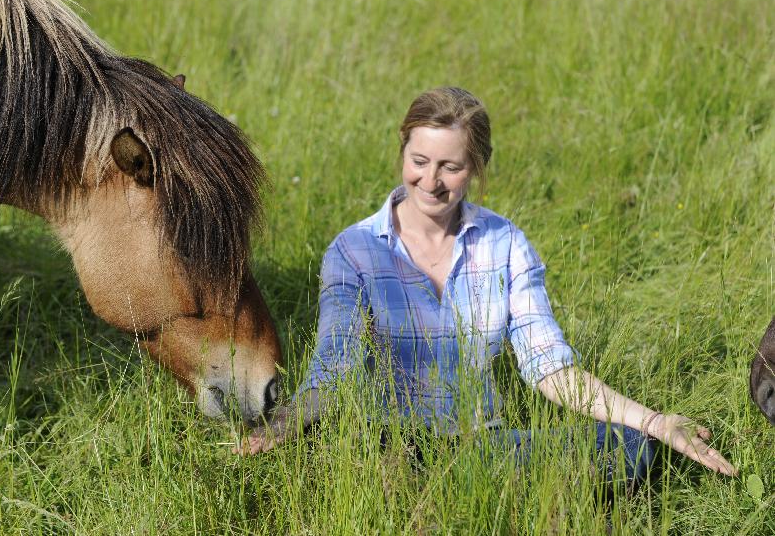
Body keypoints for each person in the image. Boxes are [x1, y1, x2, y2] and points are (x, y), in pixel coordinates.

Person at [234, 87, 736, 482]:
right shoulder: (354, 250)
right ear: (402, 154)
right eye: (419, 162)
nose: (431, 182)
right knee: (397, 463)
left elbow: (551, 370)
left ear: (475, 169)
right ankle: (439, 491)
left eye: (451, 167)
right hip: (392, 445)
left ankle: (471, 492)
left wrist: (654, 422)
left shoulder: (505, 244)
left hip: (486, 446)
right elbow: (334, 366)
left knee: (630, 448)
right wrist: (285, 422)